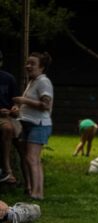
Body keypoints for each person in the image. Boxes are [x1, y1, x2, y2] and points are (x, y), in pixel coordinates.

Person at [13, 52, 53, 200]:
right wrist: (18, 109)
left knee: (32, 158)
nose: (28, 66)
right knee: (30, 158)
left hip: (39, 125)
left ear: (41, 67)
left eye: (32, 64)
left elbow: (45, 105)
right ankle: (34, 191)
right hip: (28, 124)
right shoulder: (33, 81)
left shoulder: (43, 82)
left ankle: (37, 193)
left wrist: (23, 101)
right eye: (27, 63)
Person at [0, 50, 22, 184]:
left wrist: (15, 108)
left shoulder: (9, 78)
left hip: (8, 115)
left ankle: (29, 184)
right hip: (2, 117)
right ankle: (7, 170)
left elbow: (15, 101)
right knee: (8, 128)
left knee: (22, 138)